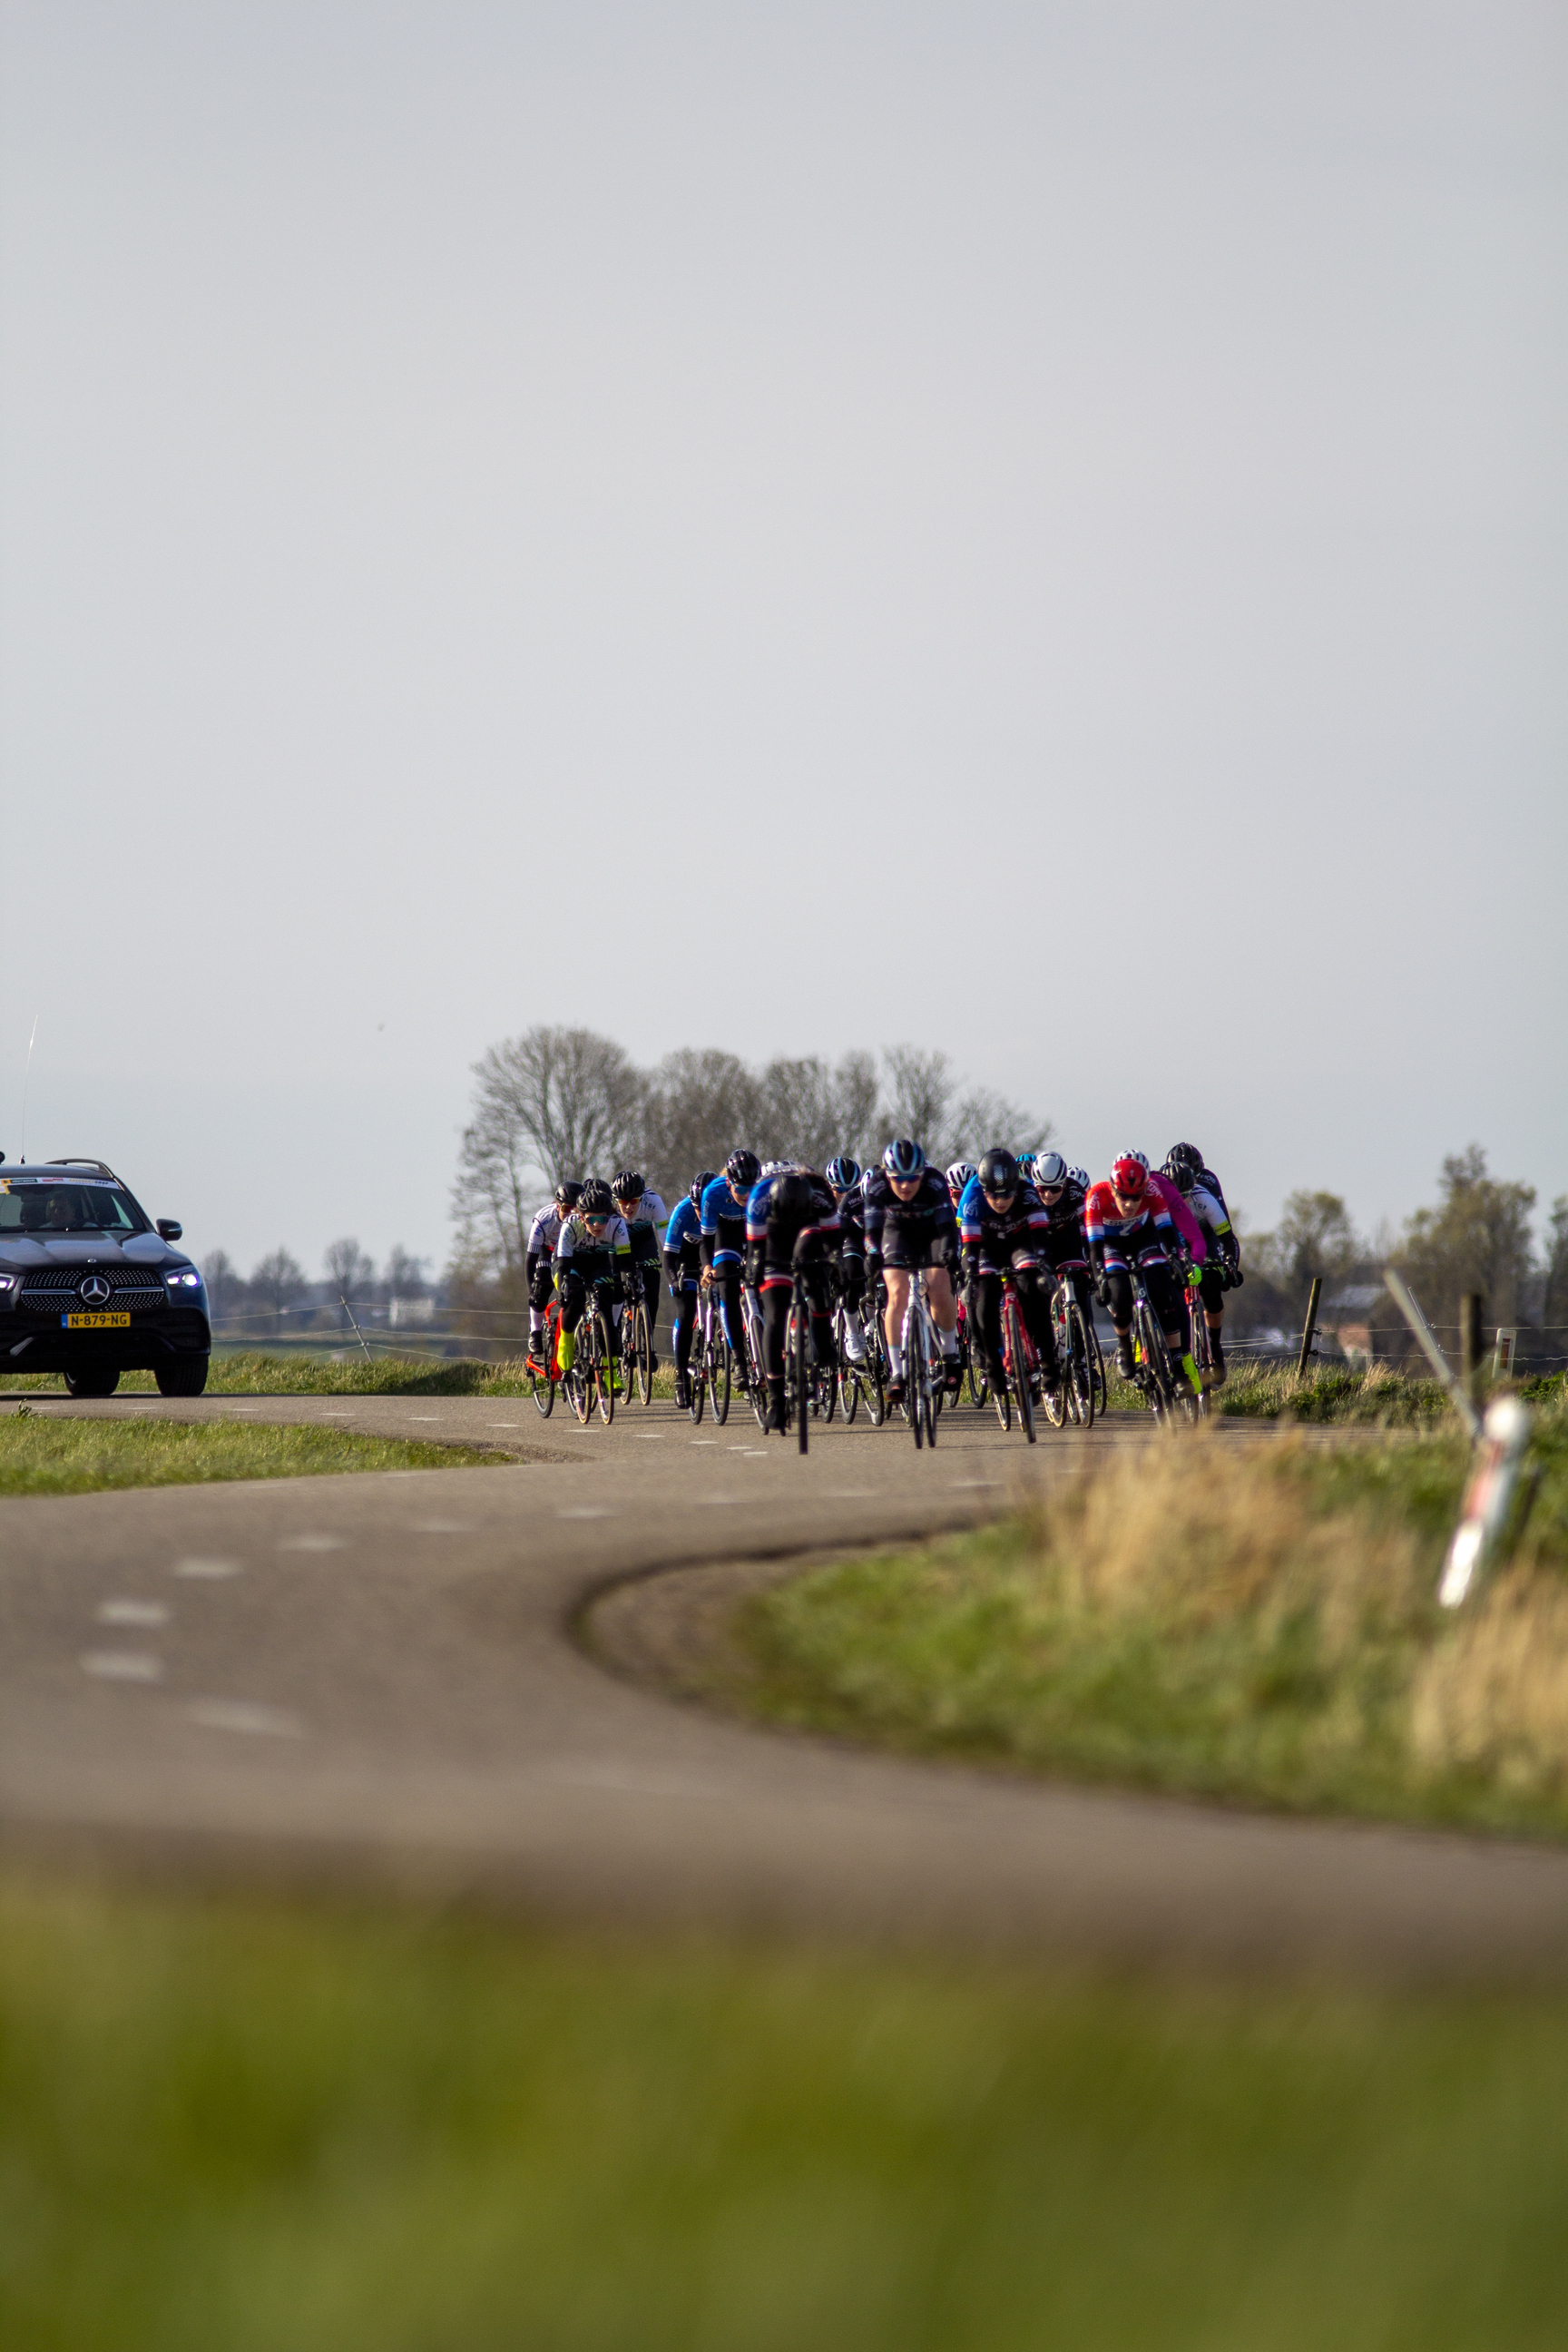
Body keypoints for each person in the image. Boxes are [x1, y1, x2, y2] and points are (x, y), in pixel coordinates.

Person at [1083, 1152, 1206, 1393]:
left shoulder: (1152, 1191)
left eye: (1135, 1198)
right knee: (1119, 1296)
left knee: (1162, 1292)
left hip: (1144, 1239)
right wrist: (1100, 1279)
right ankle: (1125, 1349)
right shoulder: (1096, 1197)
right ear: (1112, 1189)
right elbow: (1095, 1248)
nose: (1129, 1204)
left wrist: (1175, 1262)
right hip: (1110, 1245)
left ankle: (1179, 1368)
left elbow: (1167, 1233)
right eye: (1123, 1197)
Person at [861, 1139, 960, 1404]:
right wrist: (872, 1254)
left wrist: (950, 1253)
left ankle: (950, 1353)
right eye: (898, 1179)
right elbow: (871, 1232)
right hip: (897, 1233)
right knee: (897, 1293)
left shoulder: (935, 1183)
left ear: (922, 1174)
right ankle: (897, 1372)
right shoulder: (878, 1186)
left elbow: (948, 1229)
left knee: (939, 1284)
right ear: (888, 1174)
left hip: (933, 1233)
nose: (905, 1185)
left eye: (912, 1178)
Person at [956, 1147, 1061, 1399]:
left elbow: (1040, 1239)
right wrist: (970, 1279)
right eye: (994, 1195)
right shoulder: (971, 1199)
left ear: (1017, 1186)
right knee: (986, 1298)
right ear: (983, 1190)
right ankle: (992, 1364)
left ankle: (1048, 1362)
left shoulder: (1027, 1195)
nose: (1001, 1201)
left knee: (1031, 1288)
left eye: (1007, 1194)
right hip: (985, 1247)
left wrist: (1044, 1269)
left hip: (1019, 1243)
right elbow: (969, 1248)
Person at [745, 1167, 840, 1432]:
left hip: (808, 1229)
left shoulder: (821, 1196)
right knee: (775, 1315)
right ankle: (776, 1400)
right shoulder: (758, 1200)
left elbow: (833, 1246)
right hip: (773, 1235)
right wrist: (754, 1271)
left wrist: (835, 1265)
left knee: (816, 1274)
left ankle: (823, 1341)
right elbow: (755, 1252)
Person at [1161, 1144, 1241, 1387]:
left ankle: (1214, 1346)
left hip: (1205, 1235)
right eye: (1179, 1194)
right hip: (1174, 1236)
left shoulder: (1204, 1196)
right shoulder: (1160, 1197)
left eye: (1187, 1193)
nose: (1183, 1199)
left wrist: (1230, 1266)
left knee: (1211, 1285)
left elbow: (1228, 1238)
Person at [553, 1179, 633, 1376]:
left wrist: (630, 1280)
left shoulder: (617, 1225)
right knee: (576, 1299)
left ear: (608, 1216)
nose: (597, 1225)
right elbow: (563, 1264)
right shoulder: (570, 1226)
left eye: (602, 1219)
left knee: (606, 1313)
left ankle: (610, 1376)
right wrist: (564, 1289)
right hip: (571, 1264)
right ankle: (567, 1339)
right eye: (590, 1220)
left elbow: (625, 1261)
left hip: (598, 1263)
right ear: (581, 1218)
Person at [699, 1150, 761, 1386]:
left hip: (753, 1232)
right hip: (726, 1235)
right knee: (728, 1292)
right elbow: (706, 1240)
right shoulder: (713, 1194)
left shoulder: (763, 1192)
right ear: (728, 1183)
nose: (746, 1195)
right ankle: (739, 1362)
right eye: (740, 1190)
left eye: (751, 1189)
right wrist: (707, 1268)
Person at [1030, 1151, 1097, 1351]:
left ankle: (1084, 1355)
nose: (1048, 1195)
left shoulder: (1076, 1194)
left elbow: (1089, 1231)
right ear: (1034, 1185)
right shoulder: (1026, 1196)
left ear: (1065, 1184)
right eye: (1042, 1188)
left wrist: (1092, 1262)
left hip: (1067, 1240)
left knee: (1081, 1284)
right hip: (1038, 1241)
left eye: (1055, 1188)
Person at [662, 1171, 716, 1409]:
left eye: (703, 1208)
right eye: (696, 1207)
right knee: (686, 1313)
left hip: (712, 1252)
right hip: (684, 1256)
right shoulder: (682, 1212)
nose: (699, 1213)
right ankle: (681, 1376)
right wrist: (674, 1280)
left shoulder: (722, 1206)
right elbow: (668, 1256)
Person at [611, 1169, 669, 1368]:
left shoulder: (654, 1202)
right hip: (618, 1243)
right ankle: (617, 1333)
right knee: (616, 1284)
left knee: (652, 1290)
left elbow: (665, 1239)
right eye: (623, 1202)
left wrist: (670, 1264)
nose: (627, 1207)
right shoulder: (610, 1209)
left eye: (633, 1201)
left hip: (644, 1240)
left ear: (641, 1198)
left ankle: (648, 1345)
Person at [524, 1180, 583, 1373]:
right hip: (547, 1250)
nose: (571, 1213)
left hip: (569, 1254)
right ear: (557, 1205)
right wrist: (531, 1290)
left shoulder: (583, 1221)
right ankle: (535, 1331)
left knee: (576, 1289)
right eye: (566, 1208)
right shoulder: (544, 1219)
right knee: (542, 1285)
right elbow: (530, 1259)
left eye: (576, 1209)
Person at [826, 1155, 870, 1367]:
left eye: (850, 1189)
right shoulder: (822, 1202)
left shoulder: (861, 1197)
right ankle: (851, 1332)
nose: (845, 1195)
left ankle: (870, 1325)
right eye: (839, 1190)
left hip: (867, 1239)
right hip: (844, 1240)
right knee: (850, 1273)